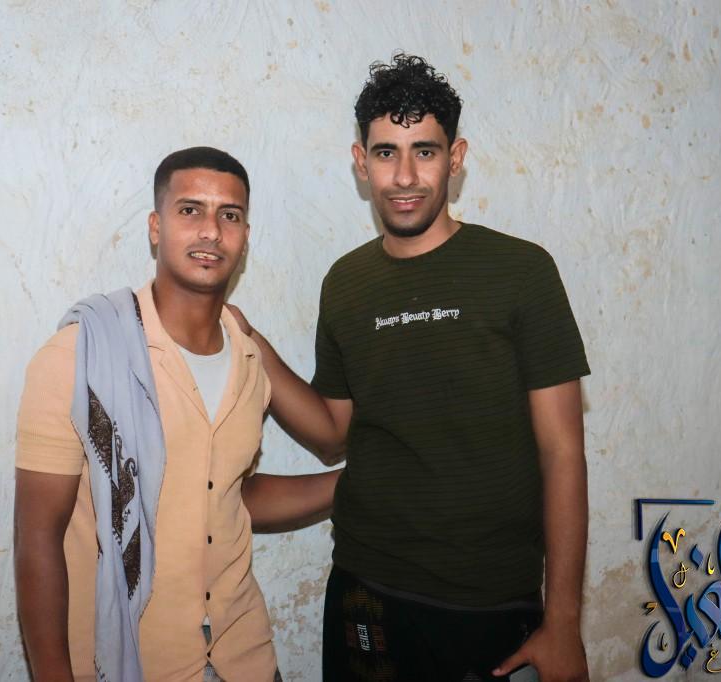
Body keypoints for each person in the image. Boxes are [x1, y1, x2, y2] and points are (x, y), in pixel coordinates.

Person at [230, 55, 591, 681]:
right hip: (365, 586)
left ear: (456, 158)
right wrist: (249, 340)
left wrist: (562, 621)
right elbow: (332, 433)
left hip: (488, 599)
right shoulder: (346, 283)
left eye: (424, 151)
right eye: (385, 153)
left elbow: (563, 453)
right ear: (360, 161)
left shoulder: (521, 271)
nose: (404, 176)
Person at [14, 146, 340, 682]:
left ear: (245, 236)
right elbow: (37, 536)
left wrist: (354, 484)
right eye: (190, 210)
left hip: (245, 657)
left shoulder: (249, 361)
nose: (211, 231)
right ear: (156, 227)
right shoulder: (83, 358)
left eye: (229, 215)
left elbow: (227, 497)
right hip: (135, 662)